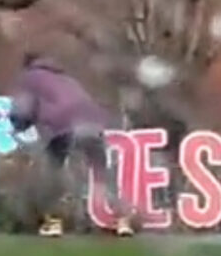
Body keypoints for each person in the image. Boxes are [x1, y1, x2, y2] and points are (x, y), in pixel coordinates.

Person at [7, 52, 134, 237]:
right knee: (101, 173)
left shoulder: (30, 78)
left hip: (63, 126)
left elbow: (23, 109)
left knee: (53, 172)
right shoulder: (67, 79)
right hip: (94, 125)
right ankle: (123, 220)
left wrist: (17, 126)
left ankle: (54, 222)